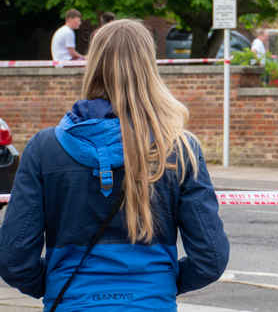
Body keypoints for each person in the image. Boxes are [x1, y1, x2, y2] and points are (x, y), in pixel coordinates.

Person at [0, 19, 229, 311]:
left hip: (71, 302)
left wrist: (59, 283)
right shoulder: (180, 149)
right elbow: (211, 256)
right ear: (150, 68)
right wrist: (160, 284)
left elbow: (14, 258)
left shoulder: (43, 149)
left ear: (93, 65)